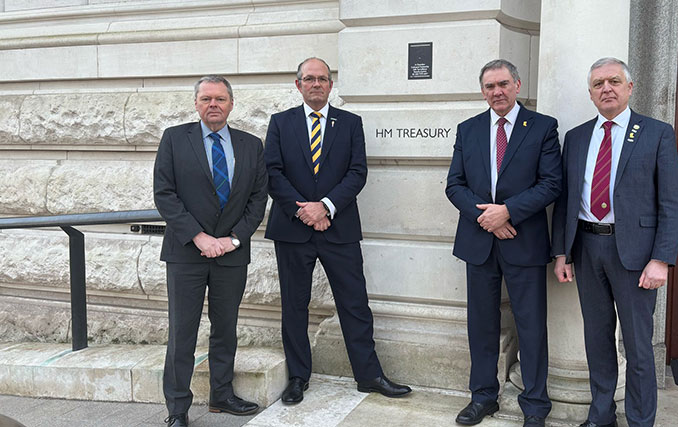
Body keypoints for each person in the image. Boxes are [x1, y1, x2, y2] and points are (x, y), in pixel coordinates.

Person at [263, 57, 411, 405]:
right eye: (309, 79)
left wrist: (325, 207)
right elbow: (273, 173)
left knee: (355, 304)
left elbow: (357, 173)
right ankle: (298, 377)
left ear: (331, 85)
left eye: (323, 79)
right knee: (294, 307)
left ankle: (369, 375)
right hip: (293, 229)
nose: (317, 84)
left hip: (338, 227)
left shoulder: (349, 123)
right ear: (298, 85)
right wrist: (306, 211)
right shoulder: (281, 123)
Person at [551, 57, 678, 427]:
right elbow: (564, 201)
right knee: (597, 340)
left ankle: (641, 421)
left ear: (629, 87)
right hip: (586, 249)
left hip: (636, 257)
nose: (605, 88)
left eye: (613, 81)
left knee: (639, 346)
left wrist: (661, 259)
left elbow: (671, 201)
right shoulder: (576, 137)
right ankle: (601, 416)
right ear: (590, 93)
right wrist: (561, 252)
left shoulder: (656, 132)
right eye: (598, 84)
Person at [445, 59, 562, 427]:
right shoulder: (469, 129)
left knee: (530, 325)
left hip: (523, 241)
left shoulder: (542, 127)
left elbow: (551, 183)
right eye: (490, 86)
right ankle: (482, 397)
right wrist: (488, 218)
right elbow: (454, 185)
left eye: (503, 84)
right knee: (480, 324)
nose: (497, 92)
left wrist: (508, 212)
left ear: (517, 84)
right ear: (483, 91)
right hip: (479, 241)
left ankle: (535, 406)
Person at [153, 75, 268, 427]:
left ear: (231, 104)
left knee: (226, 328)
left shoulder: (251, 145)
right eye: (205, 99)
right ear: (196, 104)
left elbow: (257, 199)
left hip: (231, 254)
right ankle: (177, 409)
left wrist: (234, 239)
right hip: (186, 253)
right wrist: (199, 237)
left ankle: (222, 395)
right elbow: (164, 194)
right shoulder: (174, 139)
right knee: (182, 332)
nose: (212, 104)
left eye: (219, 99)